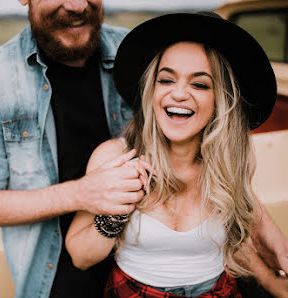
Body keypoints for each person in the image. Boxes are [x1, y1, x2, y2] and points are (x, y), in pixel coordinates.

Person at [65, 12, 288, 297]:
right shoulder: (114, 157)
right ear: (151, 90)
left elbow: (236, 240)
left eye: (199, 84)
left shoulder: (229, 162)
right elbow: (81, 257)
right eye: (166, 80)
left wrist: (270, 281)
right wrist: (117, 211)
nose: (180, 94)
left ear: (221, 99)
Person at [0, 1, 146, 297]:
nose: (78, 5)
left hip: (146, 273)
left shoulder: (139, 55)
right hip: (57, 285)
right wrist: (81, 194)